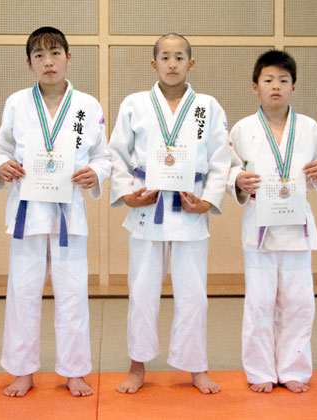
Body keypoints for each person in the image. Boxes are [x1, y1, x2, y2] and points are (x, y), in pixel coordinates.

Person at [0, 26, 111, 398]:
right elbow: (0, 147)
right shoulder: (16, 103)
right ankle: (22, 371)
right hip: (27, 212)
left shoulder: (88, 106)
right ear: (29, 63)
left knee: (73, 294)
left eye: (55, 53)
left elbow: (102, 156)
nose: (48, 61)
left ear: (68, 58)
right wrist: (2, 164)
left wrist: (96, 173)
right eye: (39, 55)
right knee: (23, 293)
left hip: (68, 213)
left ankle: (74, 371)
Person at [109, 33, 230, 394]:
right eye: (165, 57)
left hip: (190, 206)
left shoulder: (208, 106)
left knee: (193, 293)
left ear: (191, 63)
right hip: (148, 205)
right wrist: (127, 195)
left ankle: (196, 367)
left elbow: (221, 159)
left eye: (179, 57)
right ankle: (137, 366)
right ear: (154, 64)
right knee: (141, 291)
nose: (172, 64)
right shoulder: (134, 104)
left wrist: (208, 200)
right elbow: (117, 154)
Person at [227, 50, 317, 393]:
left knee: (299, 303)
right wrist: (237, 180)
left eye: (283, 80)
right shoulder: (243, 128)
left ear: (293, 87)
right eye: (269, 80)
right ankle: (260, 370)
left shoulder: (309, 127)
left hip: (296, 228)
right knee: (259, 302)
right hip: (260, 227)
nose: (276, 86)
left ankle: (293, 368)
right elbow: (230, 168)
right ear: (254, 86)